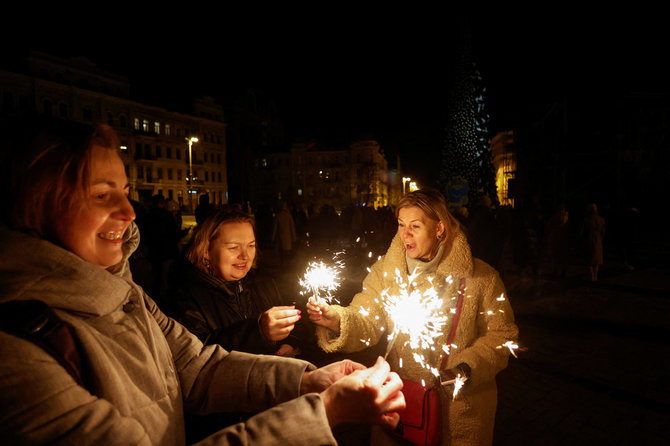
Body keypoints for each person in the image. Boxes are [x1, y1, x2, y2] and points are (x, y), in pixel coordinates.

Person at [0, 117, 405, 445]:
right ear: (41, 201)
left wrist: (308, 379)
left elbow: (195, 366)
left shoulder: (126, 293)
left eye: (125, 191)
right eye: (103, 195)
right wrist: (325, 412)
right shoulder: (17, 350)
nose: (129, 211)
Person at [308, 188, 519, 446]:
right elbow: (368, 319)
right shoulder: (387, 271)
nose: (404, 234)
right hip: (402, 406)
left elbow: (502, 336)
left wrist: (466, 368)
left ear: (439, 227)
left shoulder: (481, 278)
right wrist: (338, 320)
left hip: (459, 413)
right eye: (400, 224)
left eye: (415, 226)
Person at [581, 202, 606, 281]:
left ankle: (591, 275)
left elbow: (582, 232)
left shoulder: (586, 220)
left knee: (589, 259)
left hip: (588, 240)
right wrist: (600, 238)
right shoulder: (601, 219)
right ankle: (595, 276)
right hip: (598, 240)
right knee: (596, 260)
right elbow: (603, 232)